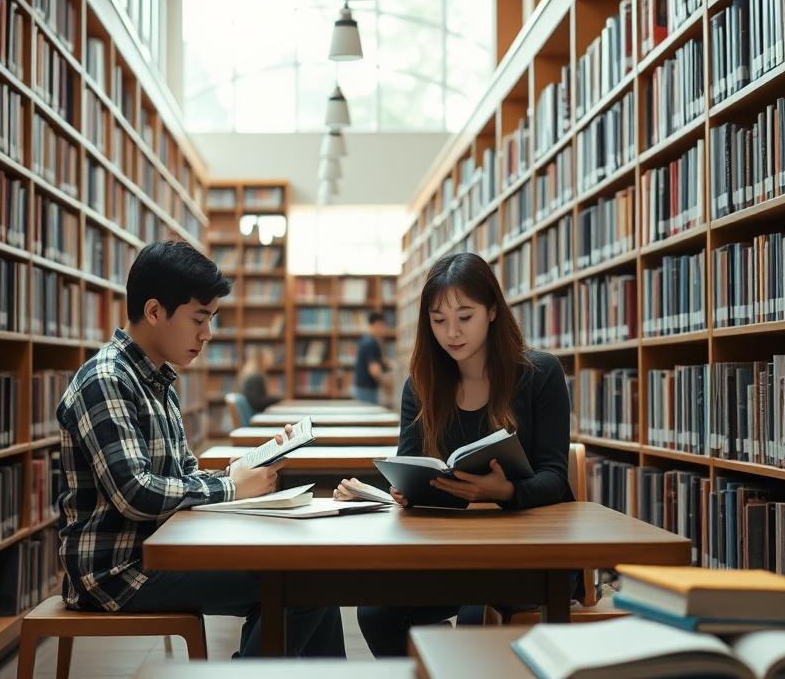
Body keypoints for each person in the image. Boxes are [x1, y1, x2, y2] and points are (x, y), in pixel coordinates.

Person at [55, 240, 344, 657]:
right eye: (199, 319)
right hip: (119, 571)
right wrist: (230, 488)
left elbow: (180, 479)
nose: (207, 335)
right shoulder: (107, 379)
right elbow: (135, 494)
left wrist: (243, 469)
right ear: (154, 312)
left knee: (313, 579)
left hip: (163, 551)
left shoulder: (158, 383)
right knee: (301, 586)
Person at [335, 251, 574, 657]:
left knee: (473, 615)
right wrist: (396, 491)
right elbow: (409, 465)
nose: (452, 332)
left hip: (528, 552)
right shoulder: (422, 386)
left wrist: (505, 493)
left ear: (492, 311)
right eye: (438, 319)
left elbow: (556, 478)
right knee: (375, 613)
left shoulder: (539, 375)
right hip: (452, 553)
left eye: (465, 316)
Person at [351, 311, 389, 403]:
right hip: (367, 391)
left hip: (360, 388)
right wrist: (387, 384)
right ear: (377, 324)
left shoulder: (365, 339)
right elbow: (374, 370)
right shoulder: (372, 343)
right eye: (383, 326)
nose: (384, 329)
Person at [237, 345, 282, 414]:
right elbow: (257, 403)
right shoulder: (256, 377)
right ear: (262, 359)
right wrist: (277, 398)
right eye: (269, 356)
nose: (272, 359)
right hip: (255, 417)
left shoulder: (252, 373)